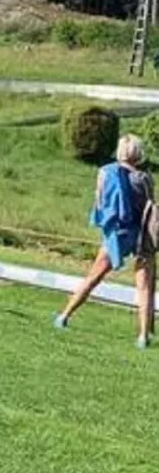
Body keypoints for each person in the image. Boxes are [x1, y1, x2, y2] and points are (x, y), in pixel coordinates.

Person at [56, 133, 156, 347]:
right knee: (145, 287)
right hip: (141, 236)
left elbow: (100, 201)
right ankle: (143, 337)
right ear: (138, 152)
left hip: (116, 234)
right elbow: (151, 209)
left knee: (93, 277)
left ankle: (64, 316)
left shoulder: (105, 172)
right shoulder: (144, 178)